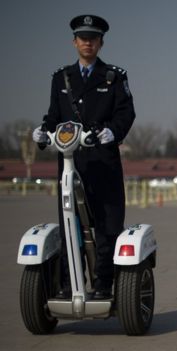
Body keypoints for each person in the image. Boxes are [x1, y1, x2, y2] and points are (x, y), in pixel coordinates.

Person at [32, 15, 135, 300]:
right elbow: (53, 116)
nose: (87, 42)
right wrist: (43, 132)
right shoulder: (61, 78)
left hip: (103, 161)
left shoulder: (114, 76)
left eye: (93, 38)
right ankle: (67, 284)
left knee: (107, 224)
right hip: (71, 162)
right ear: (74, 42)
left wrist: (112, 132)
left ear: (101, 42)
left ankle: (103, 284)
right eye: (82, 38)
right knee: (70, 224)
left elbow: (126, 113)